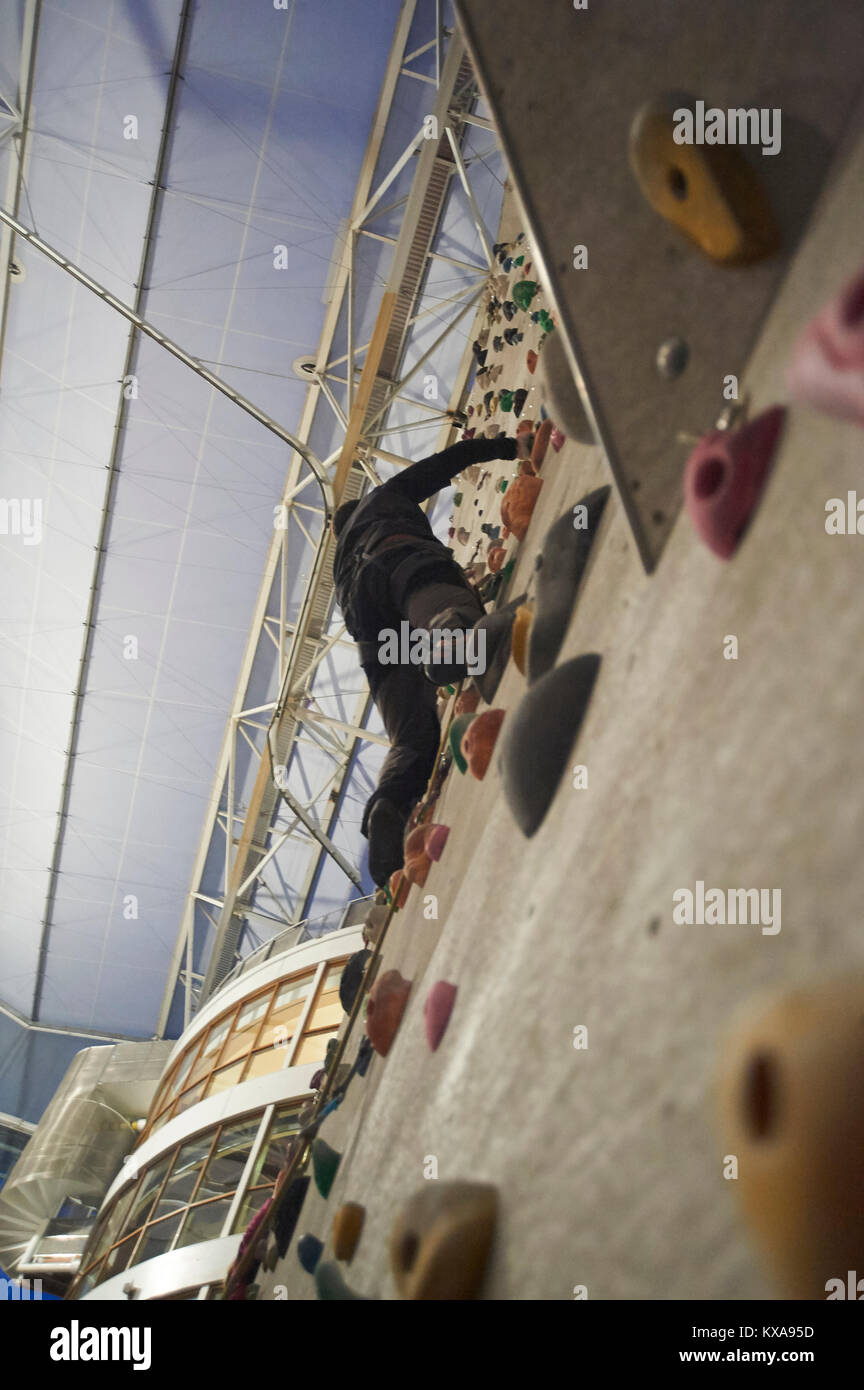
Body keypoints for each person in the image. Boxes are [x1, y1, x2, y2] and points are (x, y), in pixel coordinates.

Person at [332, 433, 528, 884]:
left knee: (411, 737)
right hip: (398, 557)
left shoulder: (339, 561)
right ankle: (447, 636)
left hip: (368, 623)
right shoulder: (382, 499)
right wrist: (504, 447)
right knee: (438, 609)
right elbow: (442, 464)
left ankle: (390, 802)